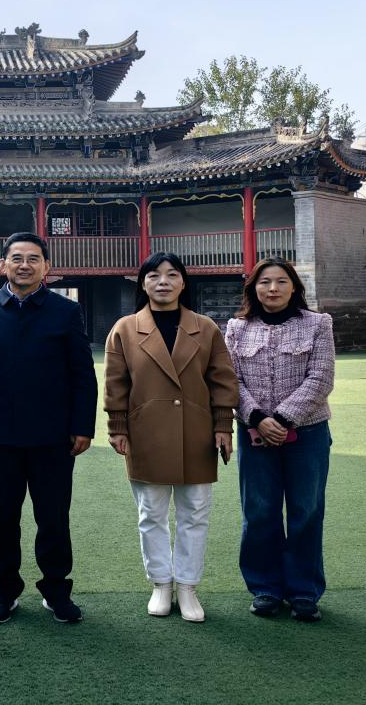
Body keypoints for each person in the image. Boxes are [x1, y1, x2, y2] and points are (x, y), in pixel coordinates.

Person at [0, 232, 97, 625]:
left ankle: (56, 590)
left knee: (53, 518)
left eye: (33, 258)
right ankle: (3, 592)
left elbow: (82, 373)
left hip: (53, 436)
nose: (24, 265)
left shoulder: (65, 311)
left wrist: (82, 426)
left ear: (46, 267)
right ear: (2, 265)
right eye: (16, 258)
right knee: (0, 518)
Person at [103, 252, 239, 622]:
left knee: (195, 512)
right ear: (142, 283)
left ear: (183, 282)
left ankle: (188, 586)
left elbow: (222, 380)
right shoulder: (125, 329)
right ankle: (161, 584)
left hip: (197, 432)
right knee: (151, 513)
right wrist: (117, 427)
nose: (163, 282)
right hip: (145, 432)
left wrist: (223, 426)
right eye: (154, 275)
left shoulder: (206, 328)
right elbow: (116, 383)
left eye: (172, 274)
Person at [225, 257, 335, 623]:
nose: (272, 288)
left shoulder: (318, 324)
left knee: (306, 511)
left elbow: (321, 377)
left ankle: (304, 591)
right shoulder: (237, 328)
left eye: (281, 281)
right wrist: (258, 418)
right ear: (253, 288)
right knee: (259, 511)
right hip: (254, 432)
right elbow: (230, 380)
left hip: (307, 433)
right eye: (264, 282)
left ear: (294, 288)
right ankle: (265, 588)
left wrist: (284, 420)